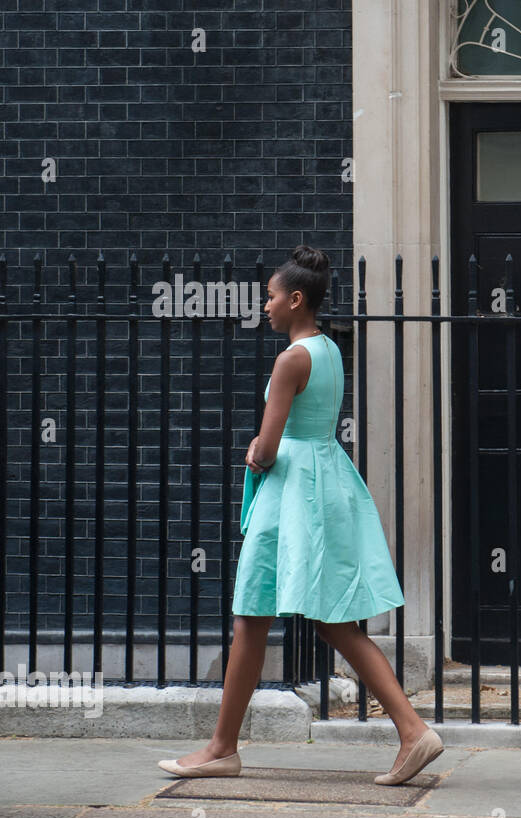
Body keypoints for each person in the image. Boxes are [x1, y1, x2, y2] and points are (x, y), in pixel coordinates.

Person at [158, 245, 443, 786]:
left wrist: (254, 452)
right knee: (327, 621)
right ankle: (411, 730)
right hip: (324, 482)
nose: (264, 306)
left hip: (289, 494)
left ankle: (223, 748)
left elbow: (268, 447)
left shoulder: (292, 358)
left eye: (270, 297)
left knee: (254, 614)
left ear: (295, 299)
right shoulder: (330, 351)